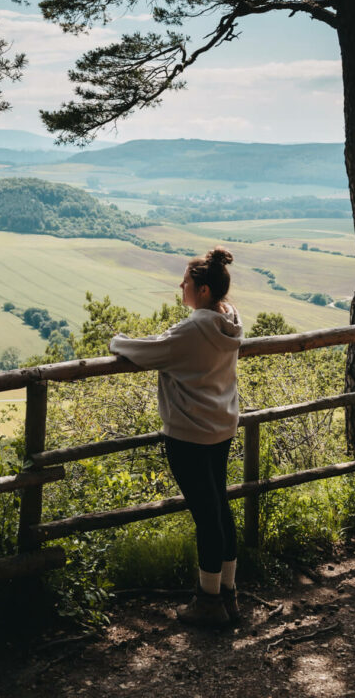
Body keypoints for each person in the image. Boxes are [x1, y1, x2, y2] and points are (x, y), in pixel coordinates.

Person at [109, 246, 243, 629]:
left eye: (185, 281)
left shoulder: (193, 328)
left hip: (190, 432)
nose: (180, 285)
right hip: (221, 424)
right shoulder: (229, 320)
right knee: (220, 506)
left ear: (202, 290)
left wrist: (116, 341)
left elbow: (145, 350)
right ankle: (228, 594)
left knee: (206, 515)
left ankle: (208, 601)